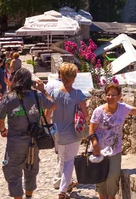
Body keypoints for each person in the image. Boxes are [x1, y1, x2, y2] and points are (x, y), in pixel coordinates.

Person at [89, 84, 136, 199]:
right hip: (99, 150)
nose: (110, 97)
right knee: (101, 177)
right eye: (108, 95)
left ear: (119, 96)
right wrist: (95, 145)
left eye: (113, 95)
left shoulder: (122, 108)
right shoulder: (98, 111)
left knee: (113, 176)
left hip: (115, 150)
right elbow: (91, 129)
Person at [0, 68, 55, 199]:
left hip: (15, 142)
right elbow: (53, 105)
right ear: (30, 81)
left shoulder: (9, 97)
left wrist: (2, 130)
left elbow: (0, 118)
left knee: (13, 171)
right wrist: (43, 89)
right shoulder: (37, 95)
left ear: (16, 80)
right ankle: (29, 196)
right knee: (31, 169)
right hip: (33, 141)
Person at [47, 63, 88, 199]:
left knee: (63, 160)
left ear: (61, 76)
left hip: (57, 134)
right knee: (69, 161)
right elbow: (86, 115)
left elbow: (47, 115)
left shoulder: (54, 93)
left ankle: (65, 186)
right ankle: (62, 191)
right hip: (73, 134)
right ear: (74, 77)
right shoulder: (78, 95)